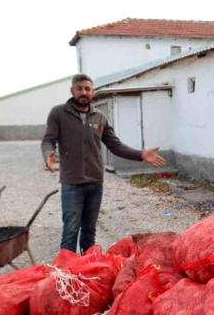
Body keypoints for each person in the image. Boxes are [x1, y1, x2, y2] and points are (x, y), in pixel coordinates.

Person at [41, 74, 166, 253]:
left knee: (89, 230)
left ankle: (89, 267)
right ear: (72, 91)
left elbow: (115, 146)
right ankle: (66, 272)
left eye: (87, 89)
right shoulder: (58, 113)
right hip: (72, 184)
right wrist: (48, 153)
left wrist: (141, 155)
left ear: (93, 92)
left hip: (95, 183)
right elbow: (49, 139)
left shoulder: (100, 117)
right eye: (79, 88)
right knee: (70, 230)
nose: (83, 92)